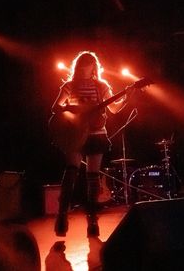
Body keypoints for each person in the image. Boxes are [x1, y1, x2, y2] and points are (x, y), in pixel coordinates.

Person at [50, 51, 131, 237]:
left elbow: (114, 108)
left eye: (90, 63)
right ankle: (62, 215)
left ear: (94, 66)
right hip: (75, 133)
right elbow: (55, 108)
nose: (87, 66)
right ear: (78, 66)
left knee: (93, 177)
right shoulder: (69, 86)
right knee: (71, 170)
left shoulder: (101, 86)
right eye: (84, 63)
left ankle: (92, 219)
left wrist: (127, 96)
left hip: (96, 133)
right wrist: (75, 109)